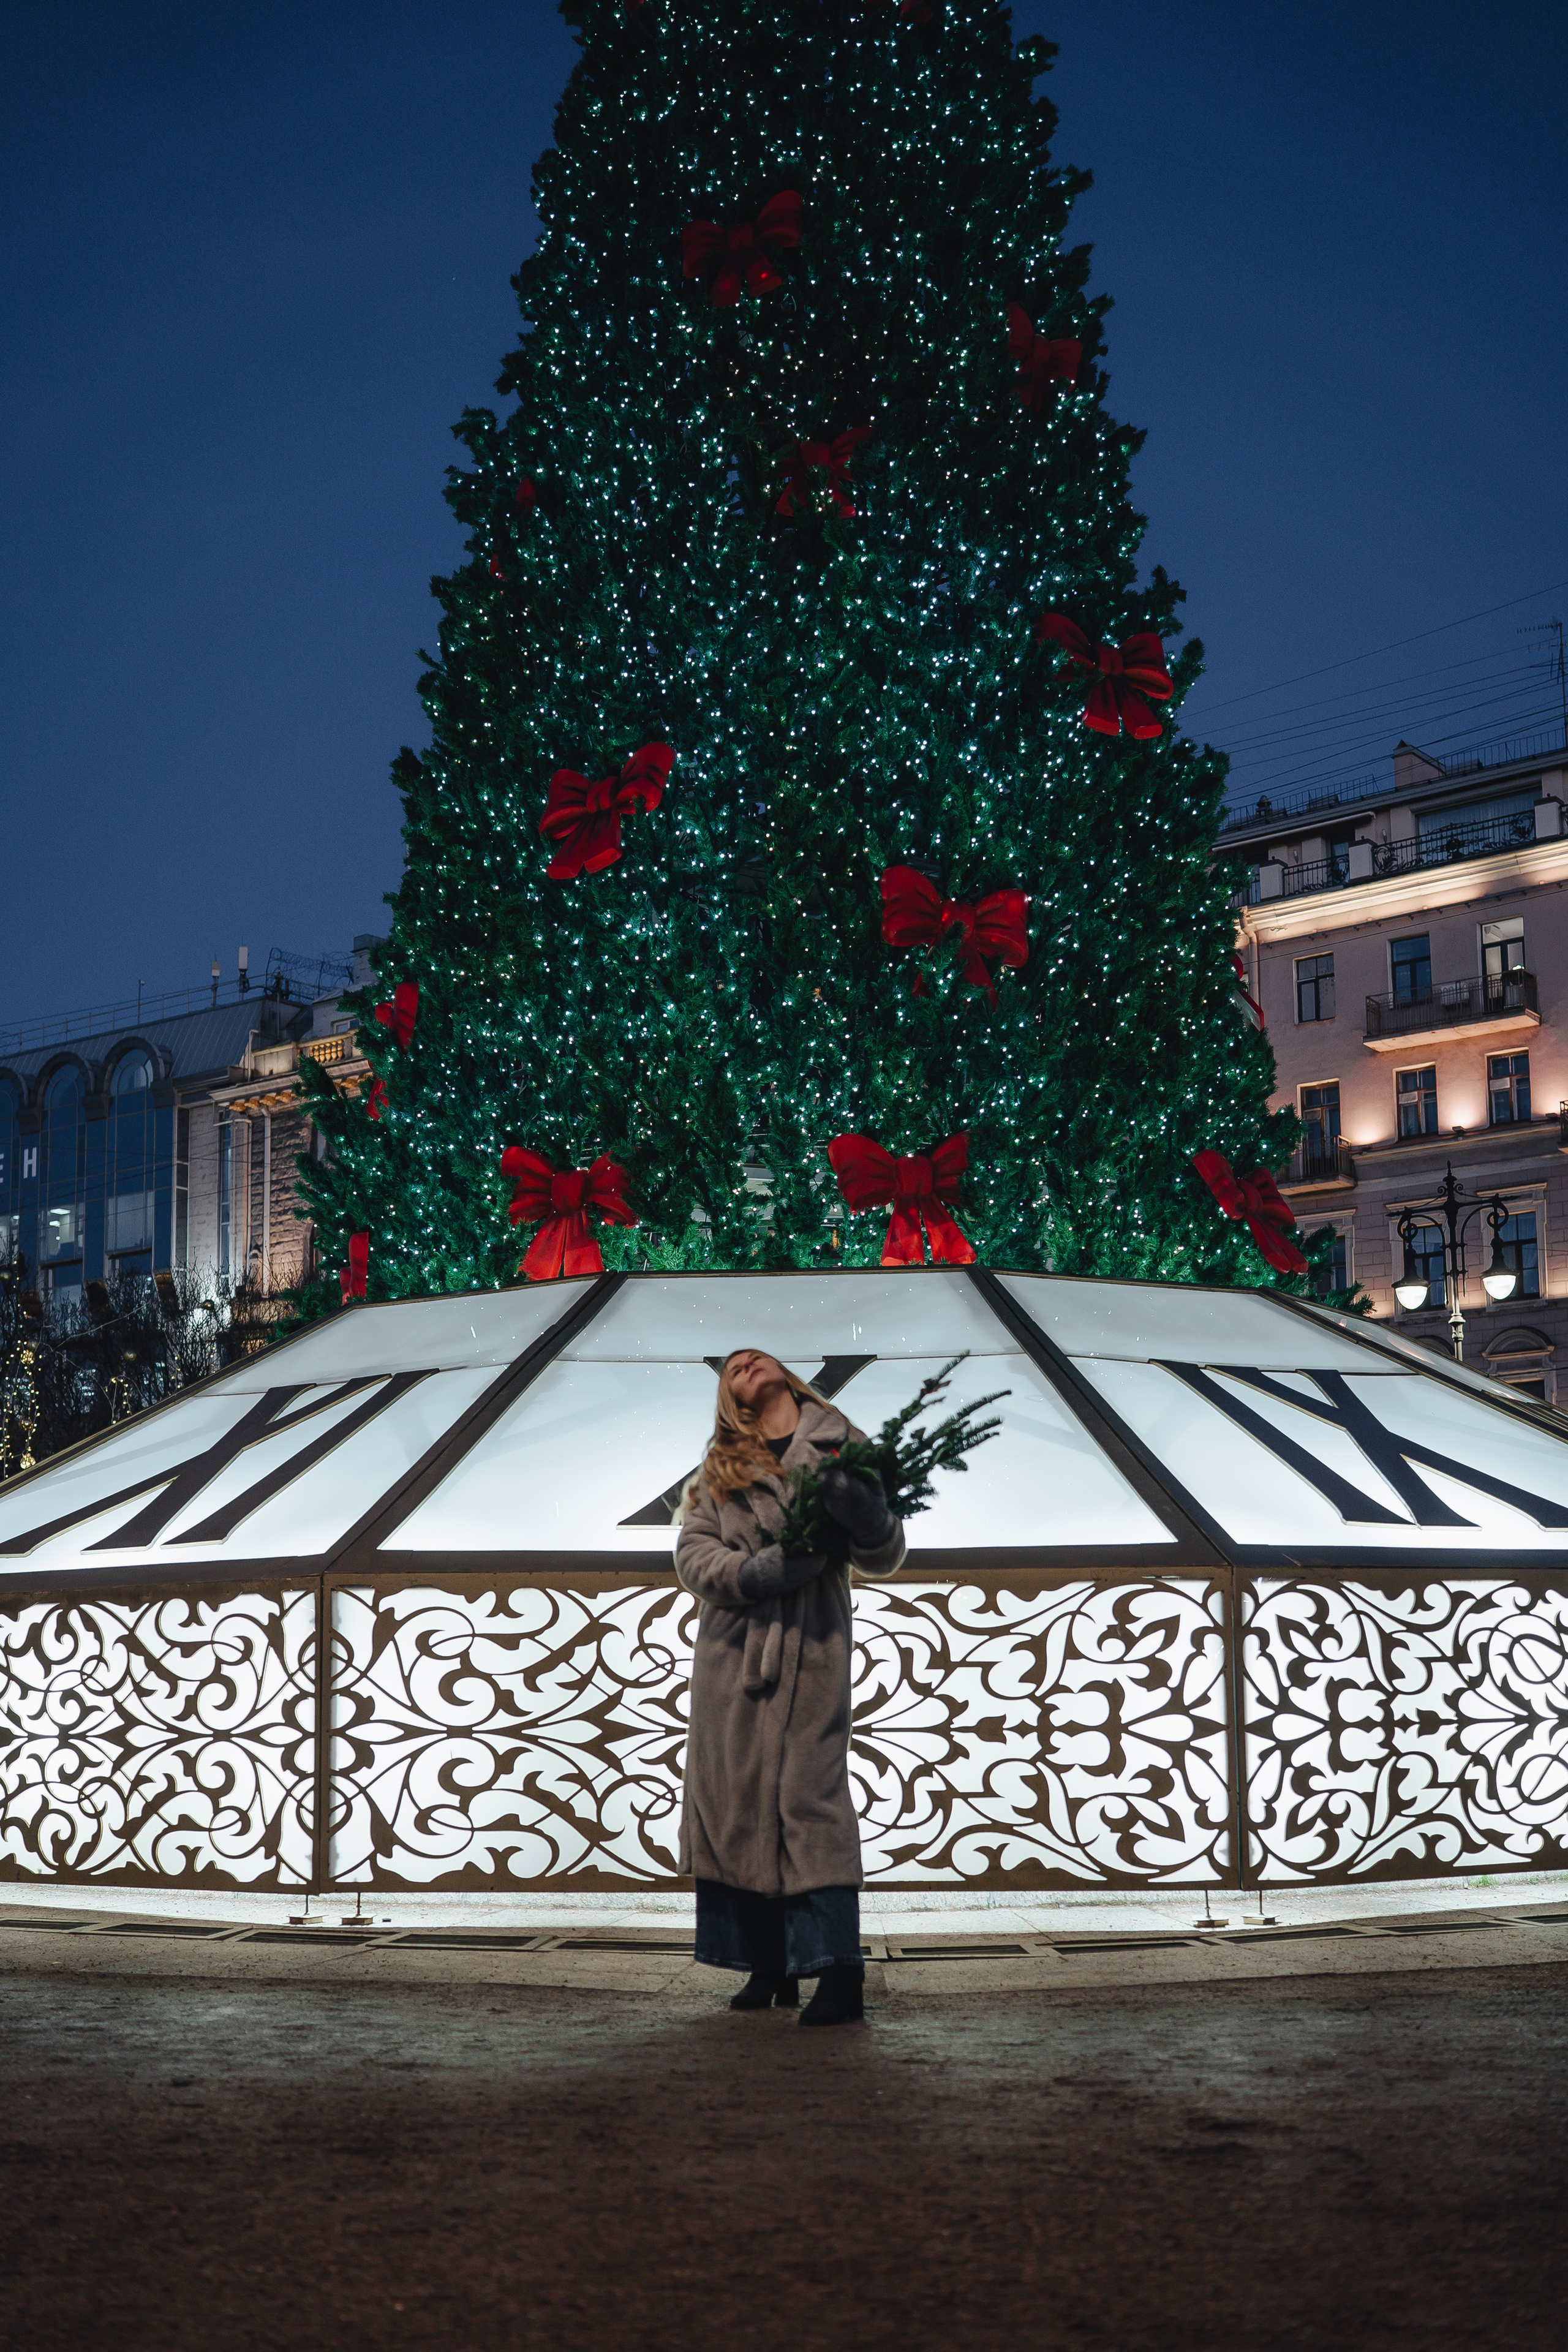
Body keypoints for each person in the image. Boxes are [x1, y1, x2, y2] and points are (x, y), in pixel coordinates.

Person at [675, 1346, 905, 2026]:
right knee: (736, 1800)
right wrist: (761, 1572)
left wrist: (863, 1517)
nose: (744, 1360)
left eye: (756, 1355)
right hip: (733, 1655)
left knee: (811, 1801)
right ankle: (767, 1964)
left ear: (787, 1374)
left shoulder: (842, 1442)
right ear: (727, 1397)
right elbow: (692, 1555)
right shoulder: (716, 1467)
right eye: (730, 1367)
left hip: (811, 1647)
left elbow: (886, 1552)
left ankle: (838, 1969)